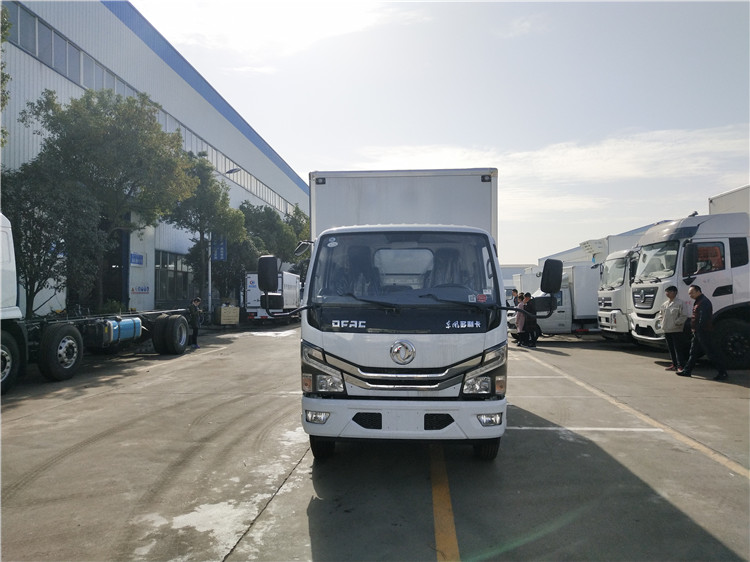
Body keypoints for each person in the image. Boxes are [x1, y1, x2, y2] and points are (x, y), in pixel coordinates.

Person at [677, 285, 728, 380]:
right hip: (698, 332)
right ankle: (687, 371)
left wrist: (698, 329)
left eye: (692, 293)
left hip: (703, 332)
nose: (690, 295)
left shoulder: (704, 302)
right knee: (693, 352)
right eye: (689, 294)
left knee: (710, 353)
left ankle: (722, 373)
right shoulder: (699, 301)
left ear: (698, 291)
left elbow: (703, 318)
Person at [658, 286, 688, 371]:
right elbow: (660, 315)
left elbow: (684, 315)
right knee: (671, 348)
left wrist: (676, 323)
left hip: (676, 329)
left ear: (674, 292)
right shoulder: (665, 304)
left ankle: (680, 365)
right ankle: (674, 364)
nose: (667, 293)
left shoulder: (680, 303)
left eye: (669, 291)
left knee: (678, 348)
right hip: (667, 329)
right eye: (666, 292)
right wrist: (662, 323)